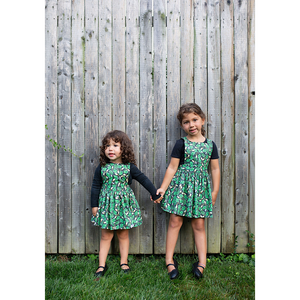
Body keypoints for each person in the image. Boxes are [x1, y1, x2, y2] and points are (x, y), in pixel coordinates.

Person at [154, 103, 220, 280]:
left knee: (198, 224)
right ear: (182, 125)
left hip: (200, 191)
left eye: (194, 120)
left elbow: (214, 170)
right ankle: (169, 260)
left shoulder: (210, 145)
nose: (191, 125)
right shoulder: (180, 144)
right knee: (175, 221)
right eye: (186, 122)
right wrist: (163, 188)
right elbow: (172, 168)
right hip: (181, 188)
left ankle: (202, 262)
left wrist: (214, 192)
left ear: (202, 120)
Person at [91, 130, 162, 277]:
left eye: (115, 145)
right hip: (107, 207)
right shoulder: (102, 167)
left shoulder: (129, 167)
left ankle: (124, 262)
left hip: (124, 206)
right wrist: (94, 205)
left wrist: (154, 193)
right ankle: (101, 265)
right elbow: (96, 186)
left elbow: (143, 179)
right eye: (107, 146)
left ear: (124, 148)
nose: (110, 149)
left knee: (123, 235)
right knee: (106, 236)